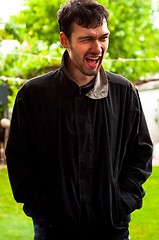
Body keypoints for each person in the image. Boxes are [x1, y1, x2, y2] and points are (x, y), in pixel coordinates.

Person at [5, 0, 153, 239]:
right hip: (54, 232)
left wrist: (121, 204)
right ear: (65, 41)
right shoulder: (32, 95)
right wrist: (46, 212)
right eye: (86, 39)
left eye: (103, 37)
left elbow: (141, 156)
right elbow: (20, 163)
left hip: (111, 230)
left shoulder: (124, 92)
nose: (98, 48)